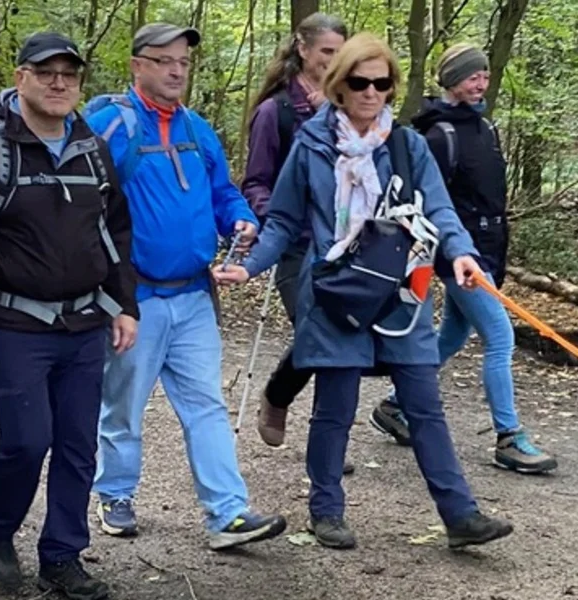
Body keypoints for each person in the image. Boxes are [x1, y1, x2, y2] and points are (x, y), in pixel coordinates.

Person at [212, 34, 514, 552]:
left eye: (381, 83)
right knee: (336, 402)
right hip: (336, 288)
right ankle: (325, 511)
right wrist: (251, 265)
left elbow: (440, 211)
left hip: (402, 289)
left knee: (424, 402)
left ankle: (460, 515)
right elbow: (284, 220)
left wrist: (462, 253)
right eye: (359, 82)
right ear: (339, 87)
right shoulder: (311, 144)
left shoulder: (407, 145)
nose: (371, 92)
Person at [0, 32, 133, 600]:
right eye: (47, 73)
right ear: (22, 79)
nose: (59, 83)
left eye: (69, 74)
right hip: (13, 322)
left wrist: (125, 305)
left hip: (85, 323)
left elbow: (114, 233)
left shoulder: (92, 147)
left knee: (77, 446)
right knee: (27, 440)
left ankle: (62, 556)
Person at [82, 22, 286, 551]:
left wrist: (241, 220)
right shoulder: (108, 126)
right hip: (136, 298)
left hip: (195, 295)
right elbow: (83, 209)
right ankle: (116, 493)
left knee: (206, 406)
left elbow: (223, 193)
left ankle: (227, 514)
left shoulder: (199, 129)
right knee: (124, 405)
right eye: (165, 60)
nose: (177, 70)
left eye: (184, 62)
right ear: (137, 65)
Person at [368, 44, 557, 475]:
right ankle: (508, 437)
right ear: (452, 81)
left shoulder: (485, 129)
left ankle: (396, 404)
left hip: (489, 248)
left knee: (453, 334)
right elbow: (427, 202)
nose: (482, 82)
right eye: (473, 76)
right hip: (459, 254)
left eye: (485, 75)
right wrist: (450, 252)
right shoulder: (438, 136)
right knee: (500, 336)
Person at [240, 12, 349, 448]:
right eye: (326, 51)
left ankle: (327, 442)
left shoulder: (352, 105)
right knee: (318, 334)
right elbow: (256, 181)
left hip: (345, 244)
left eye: (341, 53)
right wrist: (276, 218)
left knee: (340, 342)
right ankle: (278, 394)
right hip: (295, 246)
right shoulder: (276, 111)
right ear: (302, 50)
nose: (333, 60)